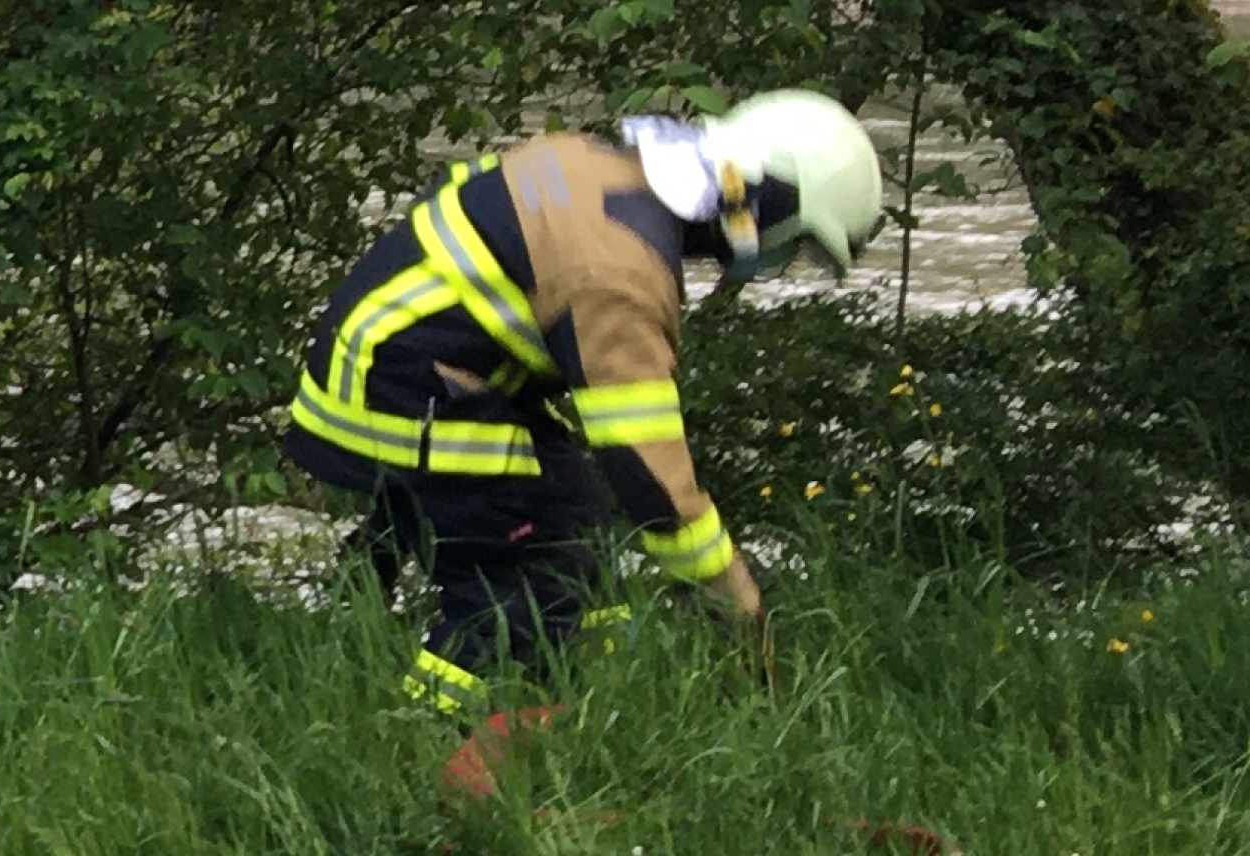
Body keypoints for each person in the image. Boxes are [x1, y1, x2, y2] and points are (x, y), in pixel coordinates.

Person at [285, 92, 858, 715]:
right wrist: (734, 597)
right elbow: (648, 475)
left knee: (572, 504)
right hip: (399, 398)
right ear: (762, 202)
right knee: (535, 579)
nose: (773, 261)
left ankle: (576, 703)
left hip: (380, 377)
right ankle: (431, 741)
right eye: (789, 244)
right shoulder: (619, 270)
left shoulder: (595, 165)